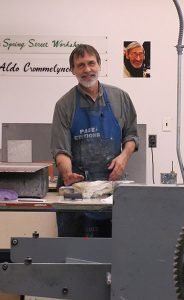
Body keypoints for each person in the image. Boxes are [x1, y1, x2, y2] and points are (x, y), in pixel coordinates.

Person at [51, 44, 138, 237]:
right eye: (80, 65)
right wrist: (67, 173)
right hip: (77, 192)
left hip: (111, 189)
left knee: (113, 251)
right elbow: (61, 150)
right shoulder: (64, 105)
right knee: (73, 253)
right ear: (73, 70)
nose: (87, 69)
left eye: (91, 63)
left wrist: (123, 158)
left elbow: (131, 136)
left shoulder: (120, 98)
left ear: (99, 65)